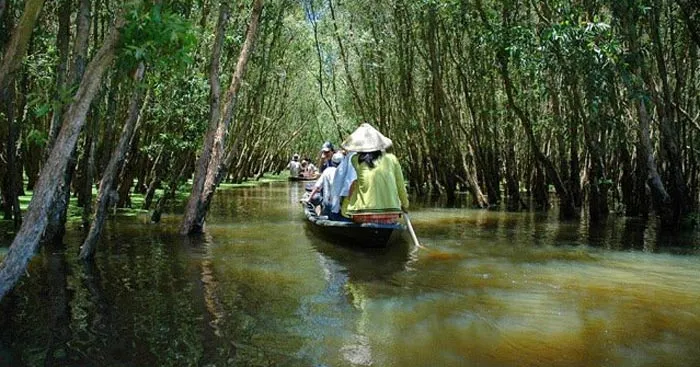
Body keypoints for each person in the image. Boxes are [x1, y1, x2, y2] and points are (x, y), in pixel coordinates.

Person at [339, 123, 409, 223]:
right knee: (357, 182)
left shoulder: (355, 160)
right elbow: (400, 186)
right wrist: (405, 205)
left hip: (362, 215)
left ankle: (345, 212)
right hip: (391, 215)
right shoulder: (392, 159)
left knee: (355, 183)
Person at [307, 152, 344, 217]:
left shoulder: (327, 170)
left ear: (332, 162)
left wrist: (309, 198)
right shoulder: (345, 172)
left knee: (316, 199)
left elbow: (317, 187)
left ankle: (320, 214)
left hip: (327, 205)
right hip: (340, 208)